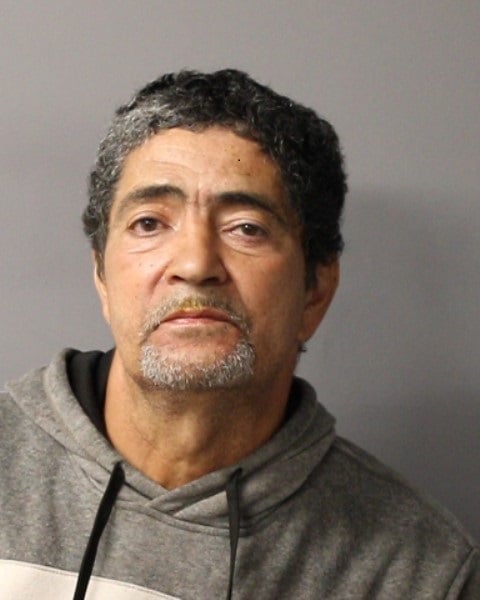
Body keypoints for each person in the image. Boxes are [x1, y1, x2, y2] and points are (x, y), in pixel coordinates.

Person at [0, 69, 478, 600]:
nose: (195, 264)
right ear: (102, 277)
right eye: (150, 223)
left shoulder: (420, 573)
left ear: (315, 290)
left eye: (246, 228)